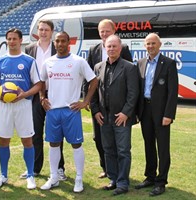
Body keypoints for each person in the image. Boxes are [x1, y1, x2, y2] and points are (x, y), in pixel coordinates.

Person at [40, 31, 97, 193]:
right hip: (52, 111)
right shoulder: (48, 62)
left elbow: (93, 80)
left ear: (69, 42)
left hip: (71, 111)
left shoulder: (78, 61)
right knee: (53, 144)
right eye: (57, 41)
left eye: (63, 41)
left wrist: (85, 101)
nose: (59, 44)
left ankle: (79, 178)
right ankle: (54, 177)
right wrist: (42, 97)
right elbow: (41, 81)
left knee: (76, 144)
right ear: (54, 43)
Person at [0, 28, 42, 190]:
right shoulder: (0, 61)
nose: (11, 42)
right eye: (9, 39)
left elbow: (38, 84)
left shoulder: (28, 60)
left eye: (14, 39)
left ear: (20, 40)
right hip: (5, 106)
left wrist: (25, 94)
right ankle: (3, 175)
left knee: (27, 140)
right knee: (3, 140)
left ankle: (31, 175)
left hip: (23, 105)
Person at [90, 34, 139, 195]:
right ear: (105, 48)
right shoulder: (98, 67)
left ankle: (123, 182)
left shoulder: (130, 67)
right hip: (104, 117)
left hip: (121, 118)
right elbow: (94, 92)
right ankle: (113, 179)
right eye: (109, 46)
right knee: (108, 149)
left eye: (114, 46)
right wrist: (96, 111)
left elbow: (133, 93)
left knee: (123, 150)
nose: (111, 49)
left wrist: (126, 113)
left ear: (120, 48)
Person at [85, 18, 132, 179]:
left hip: (118, 106)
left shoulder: (123, 49)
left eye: (107, 31)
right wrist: (90, 102)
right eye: (101, 31)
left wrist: (127, 108)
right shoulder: (93, 50)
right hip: (99, 104)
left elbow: (130, 78)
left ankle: (119, 173)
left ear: (114, 32)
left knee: (121, 144)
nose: (104, 34)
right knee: (99, 138)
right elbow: (89, 78)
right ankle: (107, 168)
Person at [20, 19, 66, 180]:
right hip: (34, 96)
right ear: (37, 31)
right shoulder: (30, 48)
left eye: (46, 29)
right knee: (35, 133)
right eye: (41, 29)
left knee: (56, 134)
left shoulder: (58, 47)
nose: (43, 32)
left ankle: (60, 169)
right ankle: (35, 168)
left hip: (55, 95)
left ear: (52, 31)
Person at [135, 33, 178, 196]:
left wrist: (169, 114)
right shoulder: (140, 63)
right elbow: (138, 90)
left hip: (161, 112)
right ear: (144, 46)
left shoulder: (168, 63)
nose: (150, 46)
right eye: (148, 44)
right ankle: (150, 177)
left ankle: (161, 182)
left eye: (153, 43)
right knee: (148, 144)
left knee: (163, 147)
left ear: (159, 45)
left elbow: (173, 92)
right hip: (145, 110)